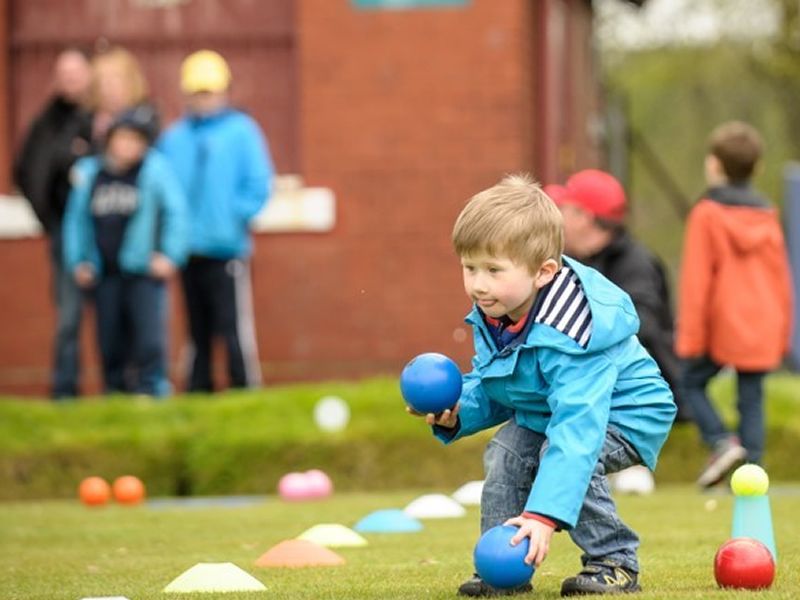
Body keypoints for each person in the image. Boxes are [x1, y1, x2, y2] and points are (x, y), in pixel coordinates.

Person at [410, 175, 676, 597]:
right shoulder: (499, 308)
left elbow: (577, 428)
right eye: (470, 267)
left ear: (543, 272)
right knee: (505, 451)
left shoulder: (573, 331)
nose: (478, 283)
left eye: (493, 270)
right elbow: (507, 385)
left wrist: (543, 515)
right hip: (551, 412)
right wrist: (461, 409)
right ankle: (502, 566)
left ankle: (615, 560)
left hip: (628, 412)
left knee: (565, 454)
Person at [675, 121, 792, 488]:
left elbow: (697, 279)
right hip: (763, 320)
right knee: (751, 398)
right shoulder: (767, 214)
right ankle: (752, 476)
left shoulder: (707, 213)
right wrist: (783, 329)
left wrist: (690, 339)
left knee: (689, 381)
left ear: (713, 165)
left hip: (724, 321)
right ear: (756, 168)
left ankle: (720, 441)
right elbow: (781, 277)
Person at [158, 49, 274, 392]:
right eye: (197, 93)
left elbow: (258, 184)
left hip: (227, 250)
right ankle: (199, 390)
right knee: (197, 329)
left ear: (223, 91)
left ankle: (243, 388)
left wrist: (232, 217)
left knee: (233, 326)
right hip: (187, 250)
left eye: (208, 92)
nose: (203, 100)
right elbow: (163, 190)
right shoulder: (174, 138)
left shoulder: (242, 132)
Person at [62, 106, 188, 397]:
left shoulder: (154, 171)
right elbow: (76, 221)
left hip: (142, 271)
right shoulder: (91, 173)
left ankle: (151, 390)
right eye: (123, 138)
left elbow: (176, 214)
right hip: (104, 271)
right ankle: (115, 391)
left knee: (148, 338)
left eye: (136, 140)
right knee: (109, 339)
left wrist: (170, 255)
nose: (128, 146)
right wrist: (78, 260)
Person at [546, 171, 690, 423]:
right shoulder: (578, 262)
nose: (558, 218)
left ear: (584, 217)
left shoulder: (636, 265)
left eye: (564, 209)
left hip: (648, 401)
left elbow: (640, 326)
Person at [14, 47, 93, 399]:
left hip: (108, 229)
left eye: (76, 74)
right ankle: (65, 392)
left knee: (116, 314)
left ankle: (124, 389)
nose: (70, 82)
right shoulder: (45, 123)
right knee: (68, 317)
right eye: (64, 75)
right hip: (65, 231)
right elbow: (25, 172)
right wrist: (48, 217)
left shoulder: (99, 118)